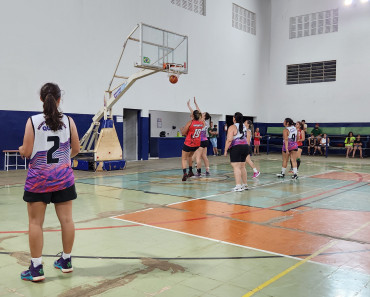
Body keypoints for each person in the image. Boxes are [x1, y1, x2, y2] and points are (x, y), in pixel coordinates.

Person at [19, 83, 80, 282]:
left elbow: (27, 152)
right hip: (63, 177)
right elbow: (76, 148)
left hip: (39, 180)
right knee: (67, 221)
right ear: (59, 99)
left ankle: (36, 268)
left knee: (36, 223)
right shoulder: (69, 121)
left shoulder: (33, 121)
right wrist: (63, 160)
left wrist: (21, 150)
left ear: (41, 99)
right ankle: (66, 261)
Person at [224, 112, 250, 191]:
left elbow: (229, 140)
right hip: (245, 147)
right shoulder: (244, 127)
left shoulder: (232, 127)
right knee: (242, 166)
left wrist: (225, 150)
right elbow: (247, 138)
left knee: (236, 167)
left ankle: (238, 186)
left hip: (237, 147)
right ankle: (245, 185)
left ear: (234, 118)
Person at [181, 98, 203, 181]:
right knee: (190, 156)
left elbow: (183, 133)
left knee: (184, 158)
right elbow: (198, 113)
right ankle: (190, 171)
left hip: (189, 143)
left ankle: (185, 173)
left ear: (193, 116)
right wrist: (193, 105)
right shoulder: (201, 123)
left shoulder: (190, 123)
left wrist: (184, 130)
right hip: (196, 144)